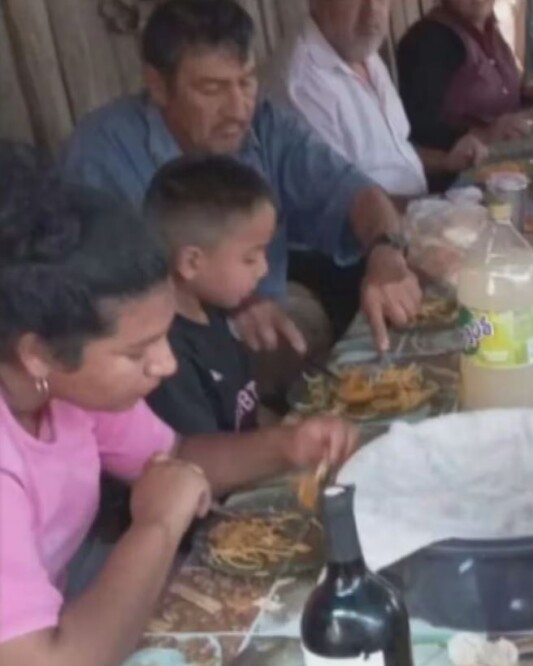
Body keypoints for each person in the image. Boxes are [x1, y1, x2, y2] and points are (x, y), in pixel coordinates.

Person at [0, 166, 359, 665]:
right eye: (136, 352)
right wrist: (158, 525)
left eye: (164, 336)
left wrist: (287, 445)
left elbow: (177, 453)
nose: (166, 364)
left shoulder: (63, 389)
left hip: (57, 607)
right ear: (37, 352)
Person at [61, 0, 421, 356]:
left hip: (266, 320)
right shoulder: (101, 156)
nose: (237, 110)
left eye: (246, 82)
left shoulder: (265, 124)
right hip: (162, 350)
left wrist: (387, 254)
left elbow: (356, 194)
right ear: (157, 85)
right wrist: (233, 305)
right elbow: (101, 299)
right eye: (211, 89)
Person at [269, 0, 490, 197]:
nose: (373, 11)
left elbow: (392, 153)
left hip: (413, 213)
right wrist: (439, 209)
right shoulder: (302, 83)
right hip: (375, 237)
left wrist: (446, 161)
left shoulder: (362, 51)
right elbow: (345, 210)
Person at [143, 156, 273, 435]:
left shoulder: (217, 311)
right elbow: (204, 458)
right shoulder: (169, 355)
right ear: (191, 262)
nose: (264, 270)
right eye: (250, 259)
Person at [396, 0, 533, 158]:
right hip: (464, 174)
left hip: (511, 156)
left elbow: (495, 98)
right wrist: (487, 134)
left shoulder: (488, 27)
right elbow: (421, 132)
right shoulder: (427, 42)